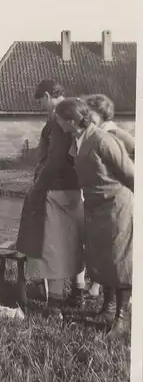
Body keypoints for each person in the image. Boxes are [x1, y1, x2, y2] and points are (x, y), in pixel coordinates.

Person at [55, 97, 134, 338]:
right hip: (95, 206)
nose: (57, 123)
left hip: (116, 206)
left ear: (70, 120)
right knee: (103, 258)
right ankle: (107, 309)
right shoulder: (77, 140)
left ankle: (122, 320)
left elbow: (130, 174)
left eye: (59, 119)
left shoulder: (102, 139)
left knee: (119, 260)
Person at [15, 80, 85, 319]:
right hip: (75, 187)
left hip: (55, 188)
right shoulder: (74, 113)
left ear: (47, 96)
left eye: (40, 102)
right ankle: (78, 291)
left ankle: (54, 304)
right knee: (73, 241)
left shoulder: (57, 119)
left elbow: (54, 158)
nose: (41, 107)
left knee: (54, 245)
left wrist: (38, 186)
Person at [83, 94, 135, 300]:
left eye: (90, 113)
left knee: (119, 254)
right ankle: (108, 303)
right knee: (107, 253)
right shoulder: (96, 134)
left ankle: (120, 307)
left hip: (121, 197)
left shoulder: (115, 133)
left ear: (101, 114)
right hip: (104, 200)